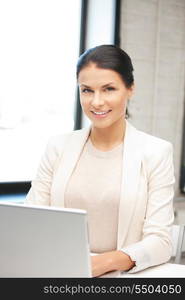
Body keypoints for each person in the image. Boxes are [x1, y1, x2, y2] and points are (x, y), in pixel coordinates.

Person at [25, 44, 175, 277]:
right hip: (58, 273)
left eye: (108, 89)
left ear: (130, 89)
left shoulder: (156, 152)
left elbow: (160, 242)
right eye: (86, 90)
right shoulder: (58, 147)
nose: (96, 102)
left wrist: (97, 265)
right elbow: (31, 220)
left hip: (117, 277)